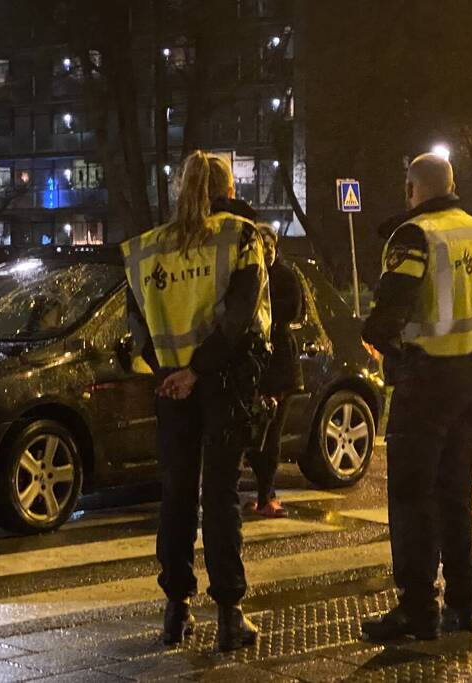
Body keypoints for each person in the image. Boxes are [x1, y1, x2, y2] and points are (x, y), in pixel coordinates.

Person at [122, 151, 271, 652]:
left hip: (173, 387)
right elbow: (240, 317)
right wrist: (199, 370)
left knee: (178, 493)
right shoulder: (240, 236)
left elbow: (138, 323)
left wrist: (172, 372)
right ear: (228, 191)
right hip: (223, 381)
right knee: (221, 493)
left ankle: (175, 609)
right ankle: (229, 613)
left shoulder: (148, 247)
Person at [360, 153, 472, 641]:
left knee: (411, 498)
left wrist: (378, 339)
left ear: (412, 189)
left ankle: (418, 608)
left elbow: (389, 312)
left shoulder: (416, 235)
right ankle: (465, 602)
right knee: (455, 496)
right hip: (471, 381)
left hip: (424, 381)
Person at [245, 223, 304, 518]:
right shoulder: (251, 274)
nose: (266, 250)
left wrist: (262, 309)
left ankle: (267, 496)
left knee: (271, 433)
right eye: (262, 245)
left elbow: (292, 310)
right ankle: (262, 494)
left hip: (279, 366)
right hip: (257, 366)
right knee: (256, 434)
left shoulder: (284, 276)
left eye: (270, 245)